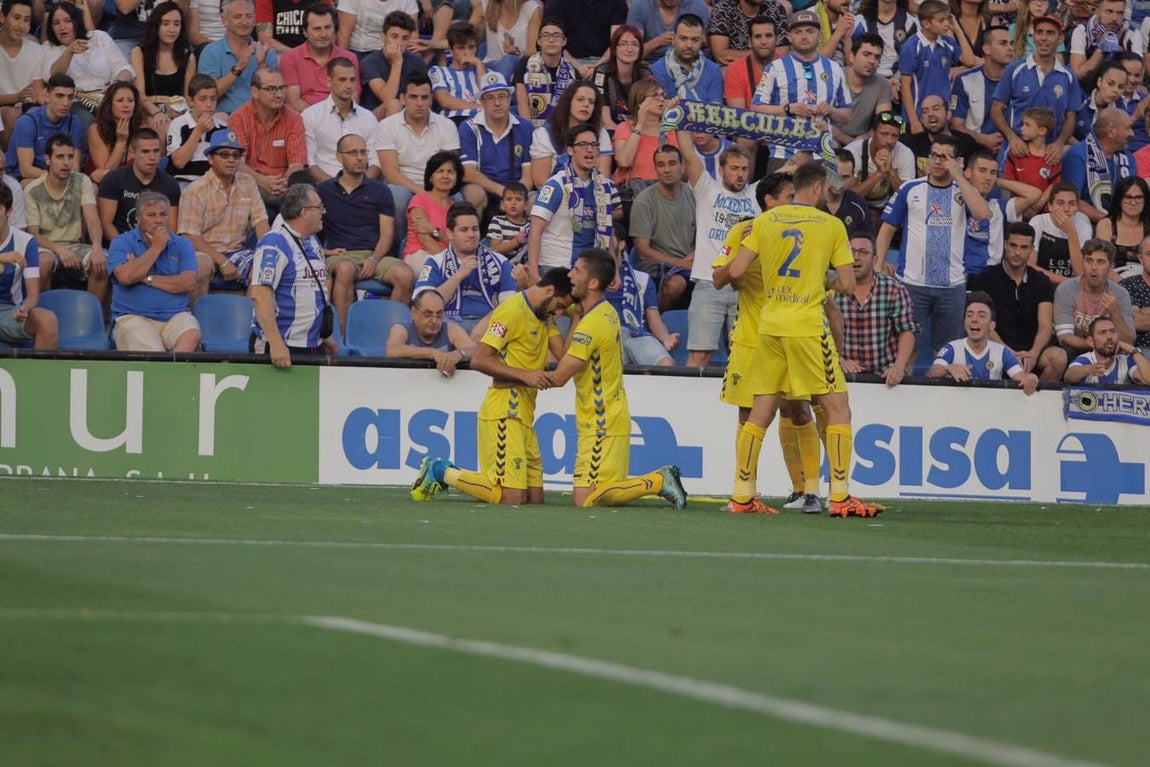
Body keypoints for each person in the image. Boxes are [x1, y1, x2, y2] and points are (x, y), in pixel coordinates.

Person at [726, 163, 882, 518]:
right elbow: (847, 284)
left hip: (769, 326)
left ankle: (742, 495)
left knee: (760, 412)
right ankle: (840, 497)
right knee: (838, 407)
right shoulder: (830, 225)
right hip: (807, 328)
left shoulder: (765, 221)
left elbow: (735, 271)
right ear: (817, 187)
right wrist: (823, 281)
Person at [410, 267, 573, 505]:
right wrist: (526, 376)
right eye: (559, 306)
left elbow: (566, 356)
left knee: (535, 499)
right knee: (511, 497)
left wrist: (578, 316)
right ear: (549, 290)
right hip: (504, 412)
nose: (558, 312)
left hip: (525, 414)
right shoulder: (511, 311)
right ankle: (440, 470)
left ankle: (444, 472)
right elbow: (480, 359)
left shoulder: (544, 316)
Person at [541, 249, 688, 509]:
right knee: (598, 495)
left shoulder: (591, 325)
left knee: (585, 499)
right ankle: (658, 480)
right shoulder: (603, 311)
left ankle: (657, 481)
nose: (570, 275)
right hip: (608, 418)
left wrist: (514, 375)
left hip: (601, 424)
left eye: (577, 270)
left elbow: (560, 376)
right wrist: (574, 313)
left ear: (593, 283)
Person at [875, 135, 991, 357]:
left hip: (952, 285)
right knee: (907, 349)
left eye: (945, 157)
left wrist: (959, 176)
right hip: (911, 283)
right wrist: (878, 267)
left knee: (947, 351)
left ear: (957, 161)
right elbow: (887, 228)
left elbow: (983, 214)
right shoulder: (910, 188)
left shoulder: (964, 191)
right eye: (934, 155)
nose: (937, 161)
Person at [318, 133, 415, 331]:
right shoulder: (323, 191)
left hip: (374, 254)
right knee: (345, 269)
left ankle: (390, 334)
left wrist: (374, 259)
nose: (360, 158)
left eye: (363, 152)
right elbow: (308, 230)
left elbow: (387, 235)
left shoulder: (380, 190)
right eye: (353, 153)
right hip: (340, 255)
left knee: (405, 274)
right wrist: (325, 252)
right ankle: (343, 335)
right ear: (339, 157)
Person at [677, 133, 758, 367]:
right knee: (699, 355)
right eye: (734, 168)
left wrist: (815, 132)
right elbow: (688, 154)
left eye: (744, 169)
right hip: (708, 282)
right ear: (721, 170)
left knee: (745, 358)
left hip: (745, 288)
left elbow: (792, 166)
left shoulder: (758, 194)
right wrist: (678, 120)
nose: (740, 174)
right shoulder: (707, 189)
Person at [248, 183, 338, 365]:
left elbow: (313, 288)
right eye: (319, 207)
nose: (324, 211)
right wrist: (275, 343)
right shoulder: (274, 243)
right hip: (282, 345)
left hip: (313, 344)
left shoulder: (312, 241)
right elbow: (260, 295)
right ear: (304, 212)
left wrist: (325, 336)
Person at [752, 9, 851, 173]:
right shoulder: (774, 68)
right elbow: (756, 108)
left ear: (820, 35)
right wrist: (787, 108)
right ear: (789, 37)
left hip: (822, 155)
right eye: (798, 32)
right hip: (783, 154)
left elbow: (848, 115)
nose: (804, 36)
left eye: (810, 31)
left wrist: (831, 110)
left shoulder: (835, 69)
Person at [370, 72, 460, 251]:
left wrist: (433, 193)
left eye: (424, 97)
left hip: (438, 184)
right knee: (398, 196)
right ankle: (397, 250)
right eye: (413, 97)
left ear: (431, 99)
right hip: (403, 185)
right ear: (402, 98)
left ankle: (457, 252)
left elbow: (450, 168)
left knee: (461, 199)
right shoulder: (387, 126)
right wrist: (425, 195)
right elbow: (391, 174)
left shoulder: (446, 125)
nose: (419, 103)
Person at [969, 221, 1068, 381]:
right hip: (995, 348)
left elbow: (1045, 327)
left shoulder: (1042, 281)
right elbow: (983, 325)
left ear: (1031, 250)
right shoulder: (985, 278)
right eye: (1013, 246)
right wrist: (1009, 354)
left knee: (1058, 357)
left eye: (1024, 247)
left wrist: (1034, 353)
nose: (1017, 252)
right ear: (1005, 245)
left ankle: (1035, 394)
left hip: (1030, 351)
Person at [178, 129, 271, 299]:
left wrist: (268, 251)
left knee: (264, 268)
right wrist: (222, 261)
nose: (231, 160)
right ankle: (195, 314)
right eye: (224, 155)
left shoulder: (247, 182)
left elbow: (261, 222)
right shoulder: (195, 190)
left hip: (236, 250)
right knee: (201, 265)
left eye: (236, 155)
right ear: (210, 158)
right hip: (205, 251)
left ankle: (251, 315)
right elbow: (189, 236)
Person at [106, 190, 202, 351]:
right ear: (138, 218)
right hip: (133, 316)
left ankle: (172, 368)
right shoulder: (121, 242)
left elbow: (188, 283)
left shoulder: (182, 244)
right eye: (151, 215)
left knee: (192, 335)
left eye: (163, 215)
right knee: (154, 351)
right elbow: (125, 277)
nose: (158, 220)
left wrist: (145, 277)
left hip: (175, 315)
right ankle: (166, 368)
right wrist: (156, 248)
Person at [527, 122, 620, 281]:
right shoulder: (555, 186)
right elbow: (535, 232)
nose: (590, 150)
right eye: (583, 145)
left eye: (594, 145)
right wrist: (534, 274)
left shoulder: (605, 187)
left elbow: (608, 233)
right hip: (555, 266)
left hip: (588, 269)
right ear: (570, 150)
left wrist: (615, 271)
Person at [991, 15, 1080, 168]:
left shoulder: (1069, 76)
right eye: (1039, 32)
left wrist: (1059, 143)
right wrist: (1012, 138)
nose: (1043, 38)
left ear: (1060, 39)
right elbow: (996, 109)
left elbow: (1071, 117)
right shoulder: (1015, 69)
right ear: (1033, 37)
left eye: (1050, 33)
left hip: (1049, 157)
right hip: (1014, 154)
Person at [414, 203, 517, 335]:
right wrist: (458, 276)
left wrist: (485, 326)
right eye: (464, 230)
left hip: (490, 326)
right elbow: (424, 306)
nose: (471, 234)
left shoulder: (501, 262)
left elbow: (508, 308)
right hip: (447, 326)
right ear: (450, 233)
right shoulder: (435, 263)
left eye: (475, 229)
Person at [25, 133, 106, 297]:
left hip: (76, 245)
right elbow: (33, 234)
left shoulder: (82, 181)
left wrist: (97, 247)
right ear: (48, 160)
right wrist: (59, 250)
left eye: (70, 156)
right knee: (43, 262)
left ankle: (92, 311)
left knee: (102, 261)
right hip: (47, 247)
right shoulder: (32, 190)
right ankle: (38, 310)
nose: (66, 162)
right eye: (60, 157)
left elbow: (92, 219)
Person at [835, 232, 919, 384]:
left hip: (884, 378)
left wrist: (898, 367)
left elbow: (907, 330)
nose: (855, 257)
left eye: (863, 252)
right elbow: (819, 332)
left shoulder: (894, 289)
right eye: (851, 251)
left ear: (874, 260)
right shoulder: (832, 289)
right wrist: (838, 360)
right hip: (843, 376)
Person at [926, 291, 1040, 393]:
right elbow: (931, 374)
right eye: (969, 315)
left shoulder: (1002, 352)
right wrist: (947, 369)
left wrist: (1031, 377)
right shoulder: (951, 348)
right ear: (964, 323)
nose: (974, 319)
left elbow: (1021, 376)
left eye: (981, 316)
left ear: (992, 325)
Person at [458, 71, 534, 223]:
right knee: (474, 194)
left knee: (537, 200)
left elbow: (528, 175)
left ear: (509, 98)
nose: (497, 103)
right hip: (483, 187)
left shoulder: (525, 127)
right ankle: (473, 237)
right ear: (482, 102)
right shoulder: (469, 127)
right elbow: (468, 173)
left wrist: (514, 197)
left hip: (516, 189)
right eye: (490, 98)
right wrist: (504, 192)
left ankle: (528, 238)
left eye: (502, 96)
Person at [228, 67, 307, 210]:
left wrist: (282, 183)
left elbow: (296, 165)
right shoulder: (239, 118)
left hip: (282, 185)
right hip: (251, 182)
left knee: (306, 196)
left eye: (281, 88)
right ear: (255, 91)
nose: (279, 94)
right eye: (271, 89)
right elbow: (238, 163)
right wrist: (262, 180)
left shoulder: (294, 119)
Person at [43, 0, 134, 121]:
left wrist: (116, 84)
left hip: (107, 97)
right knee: (89, 121)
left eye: (68, 21)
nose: (62, 27)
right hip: (76, 102)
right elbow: (52, 76)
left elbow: (124, 68)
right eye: (56, 23)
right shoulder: (49, 47)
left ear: (77, 21)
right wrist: (69, 52)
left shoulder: (99, 37)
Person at [629, 145, 695, 312]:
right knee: (675, 284)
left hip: (690, 263)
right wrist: (680, 263)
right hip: (657, 265)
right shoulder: (644, 201)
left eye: (672, 163)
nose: (667, 170)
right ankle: (657, 319)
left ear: (682, 166)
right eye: (661, 165)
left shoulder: (693, 195)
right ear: (656, 169)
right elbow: (642, 250)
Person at [97, 128, 181, 244]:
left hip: (158, 246)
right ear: (132, 152)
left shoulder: (170, 184)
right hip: (121, 245)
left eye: (156, 151)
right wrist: (124, 247)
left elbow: (171, 228)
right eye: (145, 152)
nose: (152, 157)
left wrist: (158, 248)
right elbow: (106, 223)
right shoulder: (113, 180)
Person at [1054, 238, 1137, 354]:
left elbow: (1129, 341)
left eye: (1101, 262)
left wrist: (1115, 312)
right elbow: (1065, 336)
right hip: (1075, 351)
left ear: (1111, 266)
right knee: (1057, 356)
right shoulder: (1066, 289)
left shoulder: (1120, 294)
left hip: (1109, 353)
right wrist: (1096, 346)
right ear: (1082, 262)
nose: (1093, 267)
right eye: (1089, 260)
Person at [302, 57, 377, 183]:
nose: (348, 85)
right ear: (329, 81)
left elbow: (375, 161)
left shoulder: (368, 117)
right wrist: (336, 187)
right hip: (324, 186)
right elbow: (309, 162)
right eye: (342, 80)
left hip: (362, 186)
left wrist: (361, 185)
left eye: (352, 80)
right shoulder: (310, 116)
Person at [0, 183, 56, 349]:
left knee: (47, 320)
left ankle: (42, 367)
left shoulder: (25, 242)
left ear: (9, 211)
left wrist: (24, 308)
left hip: (7, 313)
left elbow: (33, 295)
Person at [198, 0, 277, 115]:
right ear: (224, 21)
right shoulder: (210, 52)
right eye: (237, 17)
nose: (244, 22)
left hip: (261, 117)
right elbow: (208, 95)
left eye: (248, 16)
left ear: (255, 19)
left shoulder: (267, 52)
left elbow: (274, 95)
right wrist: (239, 67)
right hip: (224, 118)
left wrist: (262, 66)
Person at [530, 79, 613, 189]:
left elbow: (603, 178)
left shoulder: (601, 134)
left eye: (591, 102)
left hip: (593, 194)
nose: (586, 105)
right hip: (555, 195)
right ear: (568, 102)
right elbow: (541, 182)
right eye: (580, 99)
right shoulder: (545, 134)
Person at [130, 1, 196, 138]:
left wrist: (178, 110)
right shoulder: (139, 53)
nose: (172, 29)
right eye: (166, 24)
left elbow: (188, 97)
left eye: (176, 24)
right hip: (147, 110)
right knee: (160, 128)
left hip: (176, 111)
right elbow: (139, 93)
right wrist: (157, 112)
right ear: (156, 26)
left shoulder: (188, 57)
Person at [1061, 106, 1136, 225]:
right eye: (1128, 128)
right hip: (1086, 223)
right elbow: (1071, 199)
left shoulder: (1128, 158)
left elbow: (1134, 195)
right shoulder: (1078, 155)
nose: (1132, 134)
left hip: (1124, 222)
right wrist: (1108, 222)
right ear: (1111, 131)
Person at [5, 73, 84, 183]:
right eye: (59, 96)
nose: (65, 103)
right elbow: (26, 170)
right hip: (24, 177)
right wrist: (57, 178)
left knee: (90, 187)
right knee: (27, 183)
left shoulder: (74, 123)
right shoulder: (27, 122)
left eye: (70, 97)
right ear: (47, 96)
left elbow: (75, 167)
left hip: (60, 176)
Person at [280, 3, 359, 112]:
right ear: (305, 32)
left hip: (340, 116)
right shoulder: (290, 58)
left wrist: (333, 117)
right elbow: (293, 100)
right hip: (303, 116)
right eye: (317, 29)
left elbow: (353, 97)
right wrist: (318, 118)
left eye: (328, 27)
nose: (323, 34)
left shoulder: (349, 58)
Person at [897, 0, 961, 133]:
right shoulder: (911, 46)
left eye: (947, 19)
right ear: (926, 23)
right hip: (916, 117)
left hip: (941, 116)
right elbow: (905, 86)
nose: (947, 24)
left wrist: (958, 30)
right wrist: (914, 120)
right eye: (942, 20)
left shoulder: (949, 42)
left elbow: (969, 60)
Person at [845, 111, 916, 227]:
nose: (889, 141)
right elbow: (847, 197)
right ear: (873, 133)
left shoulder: (905, 153)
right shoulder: (853, 152)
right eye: (884, 134)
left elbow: (908, 198)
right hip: (858, 207)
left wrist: (891, 171)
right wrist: (878, 174)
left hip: (890, 209)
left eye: (894, 136)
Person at [949, 24, 1012, 153]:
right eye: (1003, 43)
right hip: (974, 150)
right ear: (986, 49)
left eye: (1012, 43)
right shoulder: (964, 80)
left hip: (1011, 149)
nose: (1010, 48)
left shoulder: (1019, 79)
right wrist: (982, 139)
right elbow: (956, 126)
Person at [385, 288, 477, 374]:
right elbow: (392, 350)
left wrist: (459, 354)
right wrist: (432, 353)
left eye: (439, 315)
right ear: (414, 312)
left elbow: (475, 350)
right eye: (428, 315)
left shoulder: (450, 328)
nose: (434, 321)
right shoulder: (401, 328)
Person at [360, 11, 428, 117]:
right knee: (394, 104)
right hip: (374, 117)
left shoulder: (417, 62)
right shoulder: (370, 62)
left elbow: (423, 96)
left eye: (405, 38)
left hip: (408, 115)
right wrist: (397, 62)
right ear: (383, 36)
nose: (399, 43)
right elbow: (387, 98)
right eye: (394, 36)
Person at [0, 0, 47, 153]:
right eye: (16, 18)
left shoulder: (36, 50)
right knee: (10, 115)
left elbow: (37, 91)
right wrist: (16, 97)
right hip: (6, 109)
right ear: (2, 17)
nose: (21, 25)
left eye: (26, 20)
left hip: (25, 107)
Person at [512, 17, 577, 127]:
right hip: (532, 128)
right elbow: (522, 103)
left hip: (563, 129)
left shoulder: (572, 71)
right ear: (539, 41)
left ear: (564, 41)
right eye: (546, 35)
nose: (551, 40)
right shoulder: (525, 64)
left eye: (557, 36)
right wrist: (530, 131)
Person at [166, 74, 229, 187]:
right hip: (183, 181)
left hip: (214, 184)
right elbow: (179, 162)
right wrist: (199, 130)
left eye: (213, 99)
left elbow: (226, 165)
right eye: (203, 99)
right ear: (190, 101)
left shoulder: (222, 127)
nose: (209, 105)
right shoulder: (178, 124)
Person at [1068, 0, 1144, 91]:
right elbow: (1078, 74)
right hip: (1085, 86)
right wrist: (1101, 49)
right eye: (1109, 11)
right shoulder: (1081, 31)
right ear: (1098, 11)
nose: (1114, 18)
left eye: (1120, 13)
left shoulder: (1131, 33)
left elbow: (1137, 71)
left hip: (1119, 87)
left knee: (1141, 90)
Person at [403, 150, 462, 268]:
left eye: (450, 172)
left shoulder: (457, 207)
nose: (445, 176)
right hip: (419, 254)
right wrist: (447, 263)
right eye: (440, 171)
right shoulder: (419, 200)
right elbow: (423, 236)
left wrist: (435, 231)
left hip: (450, 256)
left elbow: (457, 244)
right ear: (431, 177)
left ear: (456, 178)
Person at [1027, 182, 1093, 286]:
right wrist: (1067, 282)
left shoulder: (1084, 227)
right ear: (1050, 206)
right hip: (1043, 283)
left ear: (1077, 207)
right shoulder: (1038, 222)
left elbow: (1080, 273)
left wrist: (1071, 232)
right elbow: (1030, 267)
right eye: (1060, 203)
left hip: (1073, 288)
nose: (1066, 209)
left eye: (1071, 204)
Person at [834, 33, 893, 147]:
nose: (872, 61)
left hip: (862, 141)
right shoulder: (834, 77)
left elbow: (882, 124)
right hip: (832, 136)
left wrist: (861, 141)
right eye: (866, 54)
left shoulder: (883, 85)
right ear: (852, 56)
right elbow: (821, 119)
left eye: (877, 57)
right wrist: (848, 142)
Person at [899, 94, 978, 178]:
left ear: (948, 114)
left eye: (936, 109)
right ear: (921, 119)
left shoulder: (967, 143)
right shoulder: (910, 144)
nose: (930, 114)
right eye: (925, 111)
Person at [1001, 106, 1060, 216]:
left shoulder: (1051, 157)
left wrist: (1038, 205)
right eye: (1023, 124)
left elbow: (1054, 184)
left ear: (1042, 131)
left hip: (1042, 214)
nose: (1022, 128)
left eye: (1027, 125)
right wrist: (1025, 204)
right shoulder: (1016, 154)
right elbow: (1008, 183)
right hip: (1018, 212)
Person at [85, 81, 147, 184]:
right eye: (120, 100)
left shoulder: (141, 129)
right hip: (102, 186)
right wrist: (121, 141)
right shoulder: (96, 129)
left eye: (130, 101)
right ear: (110, 105)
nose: (126, 105)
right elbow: (105, 173)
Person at [651, 14, 722, 103]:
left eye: (695, 39)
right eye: (683, 38)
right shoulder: (657, 69)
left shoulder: (713, 70)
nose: (689, 45)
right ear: (673, 39)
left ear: (702, 41)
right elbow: (659, 106)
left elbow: (715, 108)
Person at [593, 24, 650, 132]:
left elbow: (651, 112)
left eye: (635, 44)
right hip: (609, 131)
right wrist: (624, 136)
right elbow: (605, 120)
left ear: (640, 49)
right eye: (623, 44)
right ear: (614, 48)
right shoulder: (602, 72)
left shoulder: (645, 73)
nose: (629, 49)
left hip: (639, 130)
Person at [468, 0, 542, 82]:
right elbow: (464, 33)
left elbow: (531, 51)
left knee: (508, 60)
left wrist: (515, 52)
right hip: (490, 65)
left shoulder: (530, 7)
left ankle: (496, 85)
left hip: (519, 65)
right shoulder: (486, 5)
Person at [1064, 315, 1150, 384]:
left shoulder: (1126, 361)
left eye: (1112, 331)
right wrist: (1088, 370)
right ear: (1091, 341)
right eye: (1103, 332)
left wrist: (1132, 350)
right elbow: (1068, 376)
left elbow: (1148, 379)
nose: (1109, 336)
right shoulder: (1086, 360)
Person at [429, 21, 484, 123]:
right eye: (461, 48)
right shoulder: (439, 71)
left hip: (483, 120)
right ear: (451, 49)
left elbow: (488, 96)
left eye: (471, 47)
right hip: (455, 120)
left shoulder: (483, 71)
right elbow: (444, 100)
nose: (467, 53)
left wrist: (479, 65)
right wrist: (480, 106)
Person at [852, 0, 916, 81]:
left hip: (899, 82)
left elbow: (911, 61)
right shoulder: (860, 21)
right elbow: (852, 57)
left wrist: (895, 80)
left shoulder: (910, 22)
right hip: (866, 81)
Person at [710, 0, 789, 66]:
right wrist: (765, 53)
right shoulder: (723, 9)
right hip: (733, 69)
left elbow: (783, 53)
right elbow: (721, 56)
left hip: (771, 68)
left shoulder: (776, 9)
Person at [627, 0, 710, 63]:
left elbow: (702, 46)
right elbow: (630, 52)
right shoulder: (640, 5)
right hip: (649, 65)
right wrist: (657, 42)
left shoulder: (698, 6)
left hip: (688, 63)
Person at [1094, 176, 1150, 269]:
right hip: (1112, 276)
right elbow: (1101, 265)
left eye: (1139, 198)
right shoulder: (1106, 225)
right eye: (1128, 197)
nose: (1133, 203)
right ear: (1119, 200)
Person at [336, 0, 418, 59]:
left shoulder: (407, 1)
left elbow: (412, 34)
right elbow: (344, 33)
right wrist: (343, 62)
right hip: (359, 52)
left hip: (396, 51)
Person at [1073, 60, 1126, 141]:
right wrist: (1084, 148)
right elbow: (1065, 133)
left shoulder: (1120, 107)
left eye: (1121, 87)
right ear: (1099, 82)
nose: (1116, 90)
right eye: (1110, 84)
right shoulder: (1080, 97)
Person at [1118, 234, 1150, 353]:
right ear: (1140, 258)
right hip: (1141, 350)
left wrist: (1144, 311)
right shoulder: (1128, 285)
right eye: (1149, 254)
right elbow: (1134, 322)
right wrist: (1138, 315)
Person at [487, 181, 531, 266]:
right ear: (502, 204)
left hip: (524, 267)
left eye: (518, 199)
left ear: (526, 205)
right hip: (502, 266)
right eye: (509, 199)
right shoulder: (497, 221)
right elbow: (495, 250)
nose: (513, 203)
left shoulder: (531, 224)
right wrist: (516, 241)